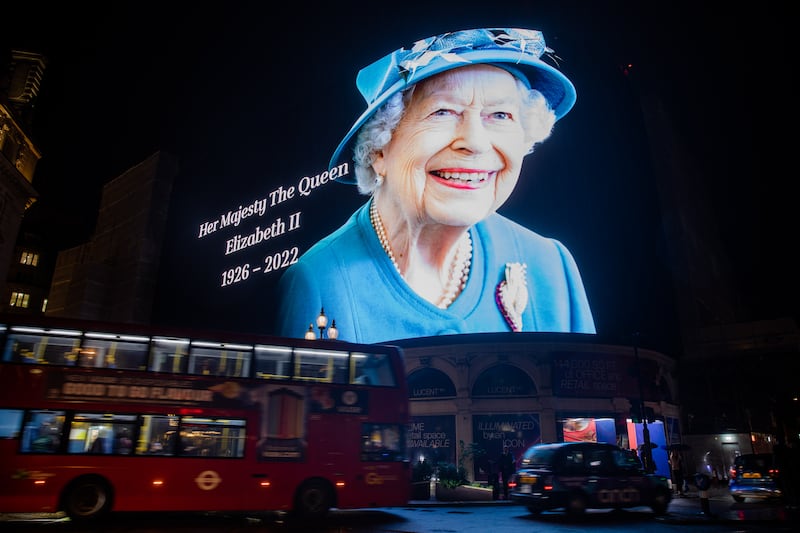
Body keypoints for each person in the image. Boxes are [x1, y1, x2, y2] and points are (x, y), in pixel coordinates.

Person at [275, 28, 595, 343]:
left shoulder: (551, 267)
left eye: (500, 114)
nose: (475, 143)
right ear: (378, 148)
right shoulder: (321, 283)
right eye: (442, 111)